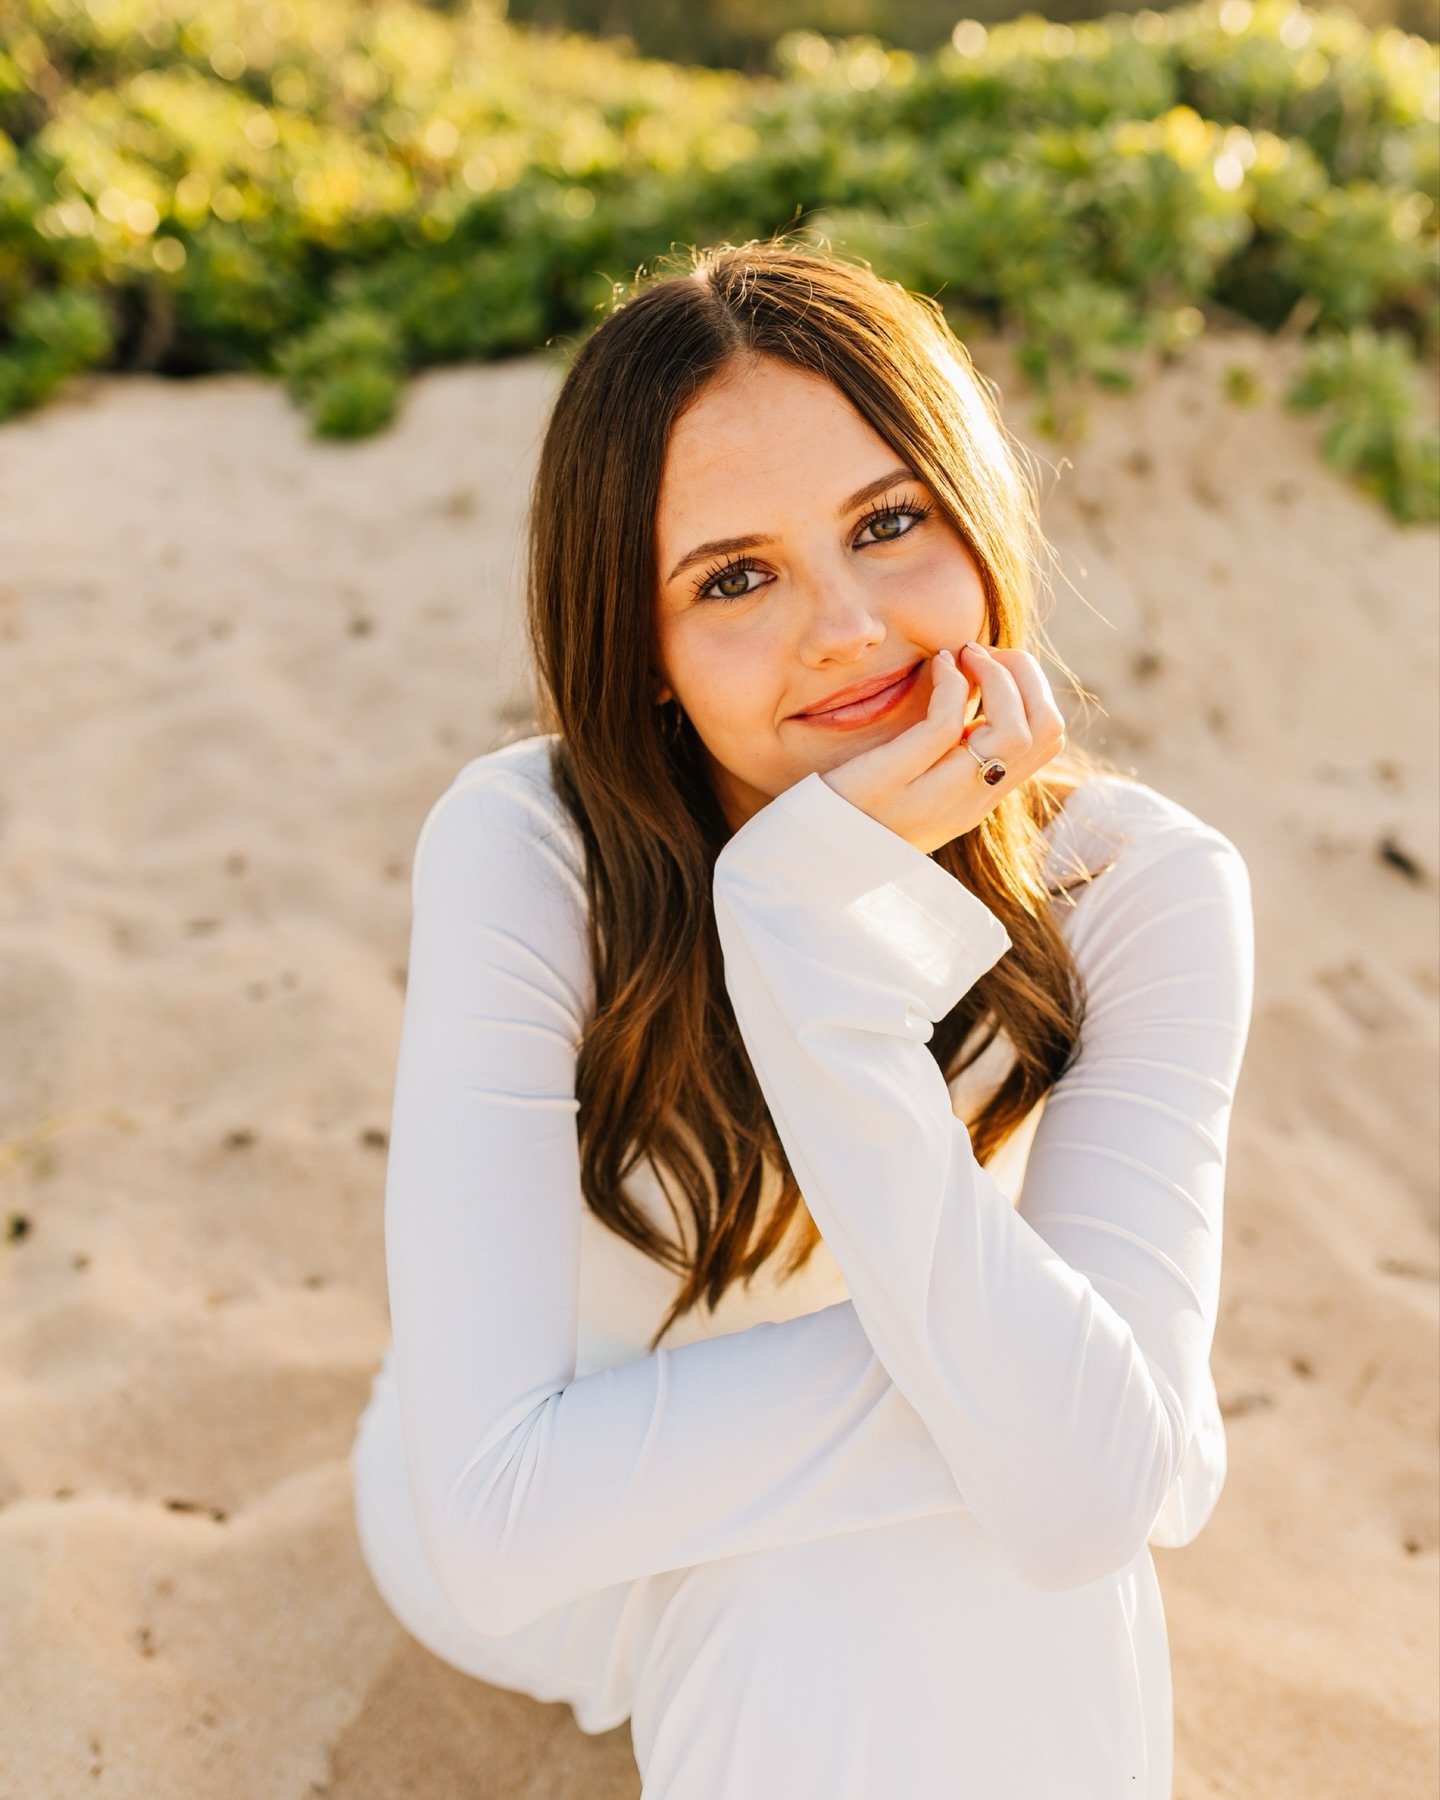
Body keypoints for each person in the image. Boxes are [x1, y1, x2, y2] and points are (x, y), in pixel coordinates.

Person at [350, 239, 1255, 1797]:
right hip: (548, 1546)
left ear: (980, 522)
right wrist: (1030, 1400)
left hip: (898, 1499)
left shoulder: (1140, 890)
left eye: (890, 522)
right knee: (1004, 1500)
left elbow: (1088, 1500)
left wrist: (809, 946)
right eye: (736, 576)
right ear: (637, 644)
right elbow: (494, 1521)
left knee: (1016, 1557)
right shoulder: (529, 851)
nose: (848, 628)